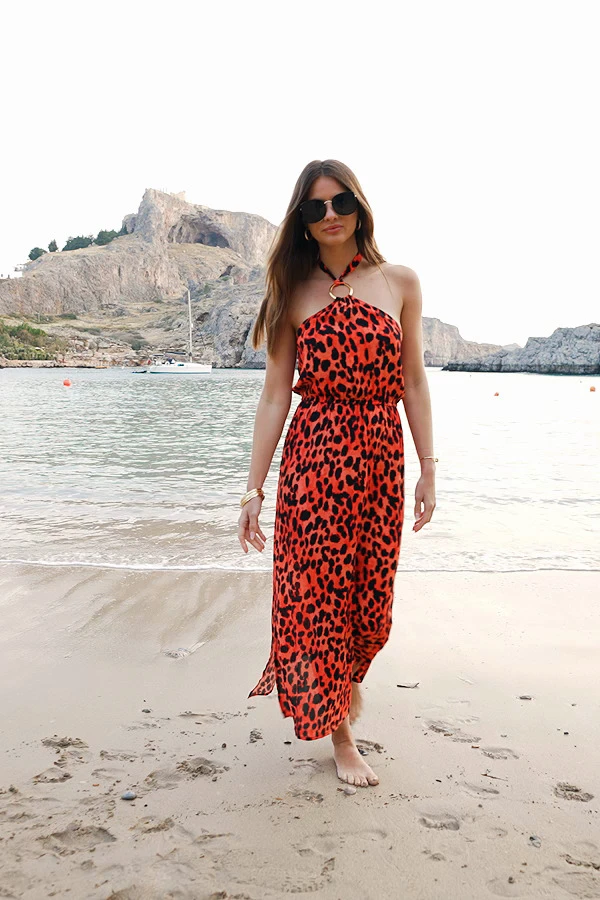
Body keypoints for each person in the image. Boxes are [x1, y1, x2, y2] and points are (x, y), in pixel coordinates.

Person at [238, 159, 436, 788]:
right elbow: (275, 395)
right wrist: (253, 490)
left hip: (380, 459)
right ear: (301, 220)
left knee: (370, 602)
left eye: (340, 202)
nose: (330, 215)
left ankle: (345, 691)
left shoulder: (400, 282)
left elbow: (413, 382)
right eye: (315, 207)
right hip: (314, 462)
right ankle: (340, 734)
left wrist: (428, 469)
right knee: (319, 598)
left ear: (359, 207)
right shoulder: (291, 293)